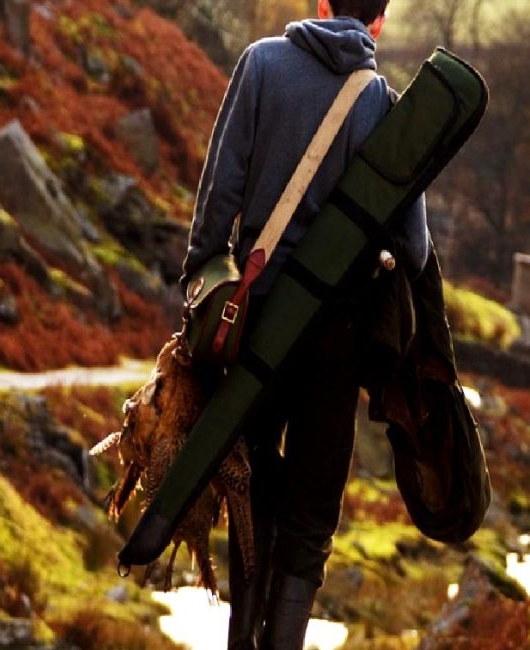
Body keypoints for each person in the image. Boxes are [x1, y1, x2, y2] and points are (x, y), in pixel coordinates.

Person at [179, 1, 429, 648]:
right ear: (379, 21)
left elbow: (220, 194)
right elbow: (417, 249)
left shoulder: (262, 64)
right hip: (337, 336)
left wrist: (200, 282)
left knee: (252, 483)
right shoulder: (388, 107)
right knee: (312, 515)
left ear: (321, 3)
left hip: (259, 320)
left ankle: (240, 638)